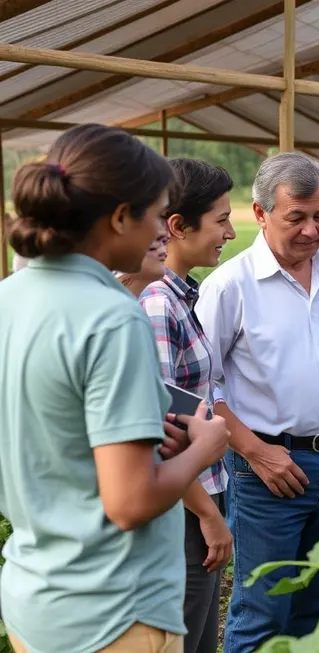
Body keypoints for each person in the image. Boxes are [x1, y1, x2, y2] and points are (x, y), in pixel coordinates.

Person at [0, 123, 230, 653]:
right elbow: (129, 501)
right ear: (120, 217)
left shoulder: (13, 297)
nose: (160, 231)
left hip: (35, 593)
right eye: (155, 213)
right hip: (115, 609)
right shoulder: (110, 317)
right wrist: (204, 449)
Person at [194, 151, 319, 653]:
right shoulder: (228, 287)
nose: (312, 230)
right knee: (262, 610)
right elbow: (203, 388)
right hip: (269, 470)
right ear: (259, 213)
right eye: (296, 217)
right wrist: (255, 451)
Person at [139, 158, 238, 653]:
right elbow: (156, 429)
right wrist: (207, 515)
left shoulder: (183, 297)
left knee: (199, 636)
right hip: (184, 506)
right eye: (221, 220)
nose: (231, 231)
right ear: (178, 226)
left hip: (198, 494)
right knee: (185, 640)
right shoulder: (159, 304)